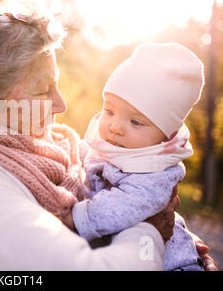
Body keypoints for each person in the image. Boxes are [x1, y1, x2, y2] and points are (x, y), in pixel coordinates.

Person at [0, 11, 215, 270]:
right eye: (43, 90)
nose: (61, 105)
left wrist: (181, 246)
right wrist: (151, 233)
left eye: (57, 86)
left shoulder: (56, 152)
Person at [70, 42, 218, 271]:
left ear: (165, 135)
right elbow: (82, 153)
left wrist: (76, 218)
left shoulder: (155, 172)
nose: (116, 127)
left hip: (173, 265)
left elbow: (125, 205)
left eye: (136, 122)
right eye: (109, 111)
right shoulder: (113, 145)